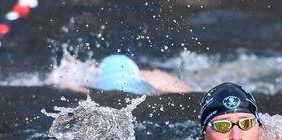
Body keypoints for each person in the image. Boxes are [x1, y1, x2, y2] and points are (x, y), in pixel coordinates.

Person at [49, 54, 193, 94]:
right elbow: (188, 91)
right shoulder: (150, 78)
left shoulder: (94, 80)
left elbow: (61, 79)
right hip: (142, 87)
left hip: (103, 87)